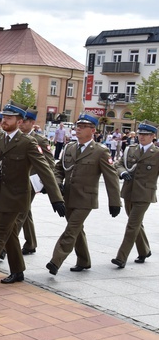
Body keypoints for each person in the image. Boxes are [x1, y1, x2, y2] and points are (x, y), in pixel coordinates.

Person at [0, 101, 65, 289]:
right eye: (4, 117)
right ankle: (17, 271)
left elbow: (45, 170)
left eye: (9, 118)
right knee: (9, 234)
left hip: (17, 197)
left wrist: (56, 197)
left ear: (19, 121)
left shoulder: (28, 142)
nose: (4, 120)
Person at [46, 113, 121, 275]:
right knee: (77, 230)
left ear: (92, 130)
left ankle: (55, 261)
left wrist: (115, 202)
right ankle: (84, 261)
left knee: (71, 230)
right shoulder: (70, 148)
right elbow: (59, 169)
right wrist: (58, 183)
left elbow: (111, 177)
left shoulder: (101, 151)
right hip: (68, 197)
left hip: (86, 199)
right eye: (77, 126)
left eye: (83, 126)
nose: (78, 129)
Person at [112, 121, 159, 268]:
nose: (142, 137)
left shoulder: (156, 154)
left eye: (145, 135)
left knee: (132, 225)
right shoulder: (130, 150)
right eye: (140, 134)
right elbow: (118, 164)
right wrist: (123, 172)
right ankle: (144, 251)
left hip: (145, 194)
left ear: (153, 137)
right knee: (137, 223)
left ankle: (121, 257)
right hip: (128, 192)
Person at [12, 108, 56, 255]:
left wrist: (45, 183)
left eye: (25, 121)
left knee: (19, 214)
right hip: (15, 181)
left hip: (31, 182)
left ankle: (6, 246)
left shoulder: (40, 141)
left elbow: (50, 164)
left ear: (32, 123)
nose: (21, 124)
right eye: (20, 121)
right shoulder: (15, 137)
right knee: (25, 212)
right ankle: (30, 243)